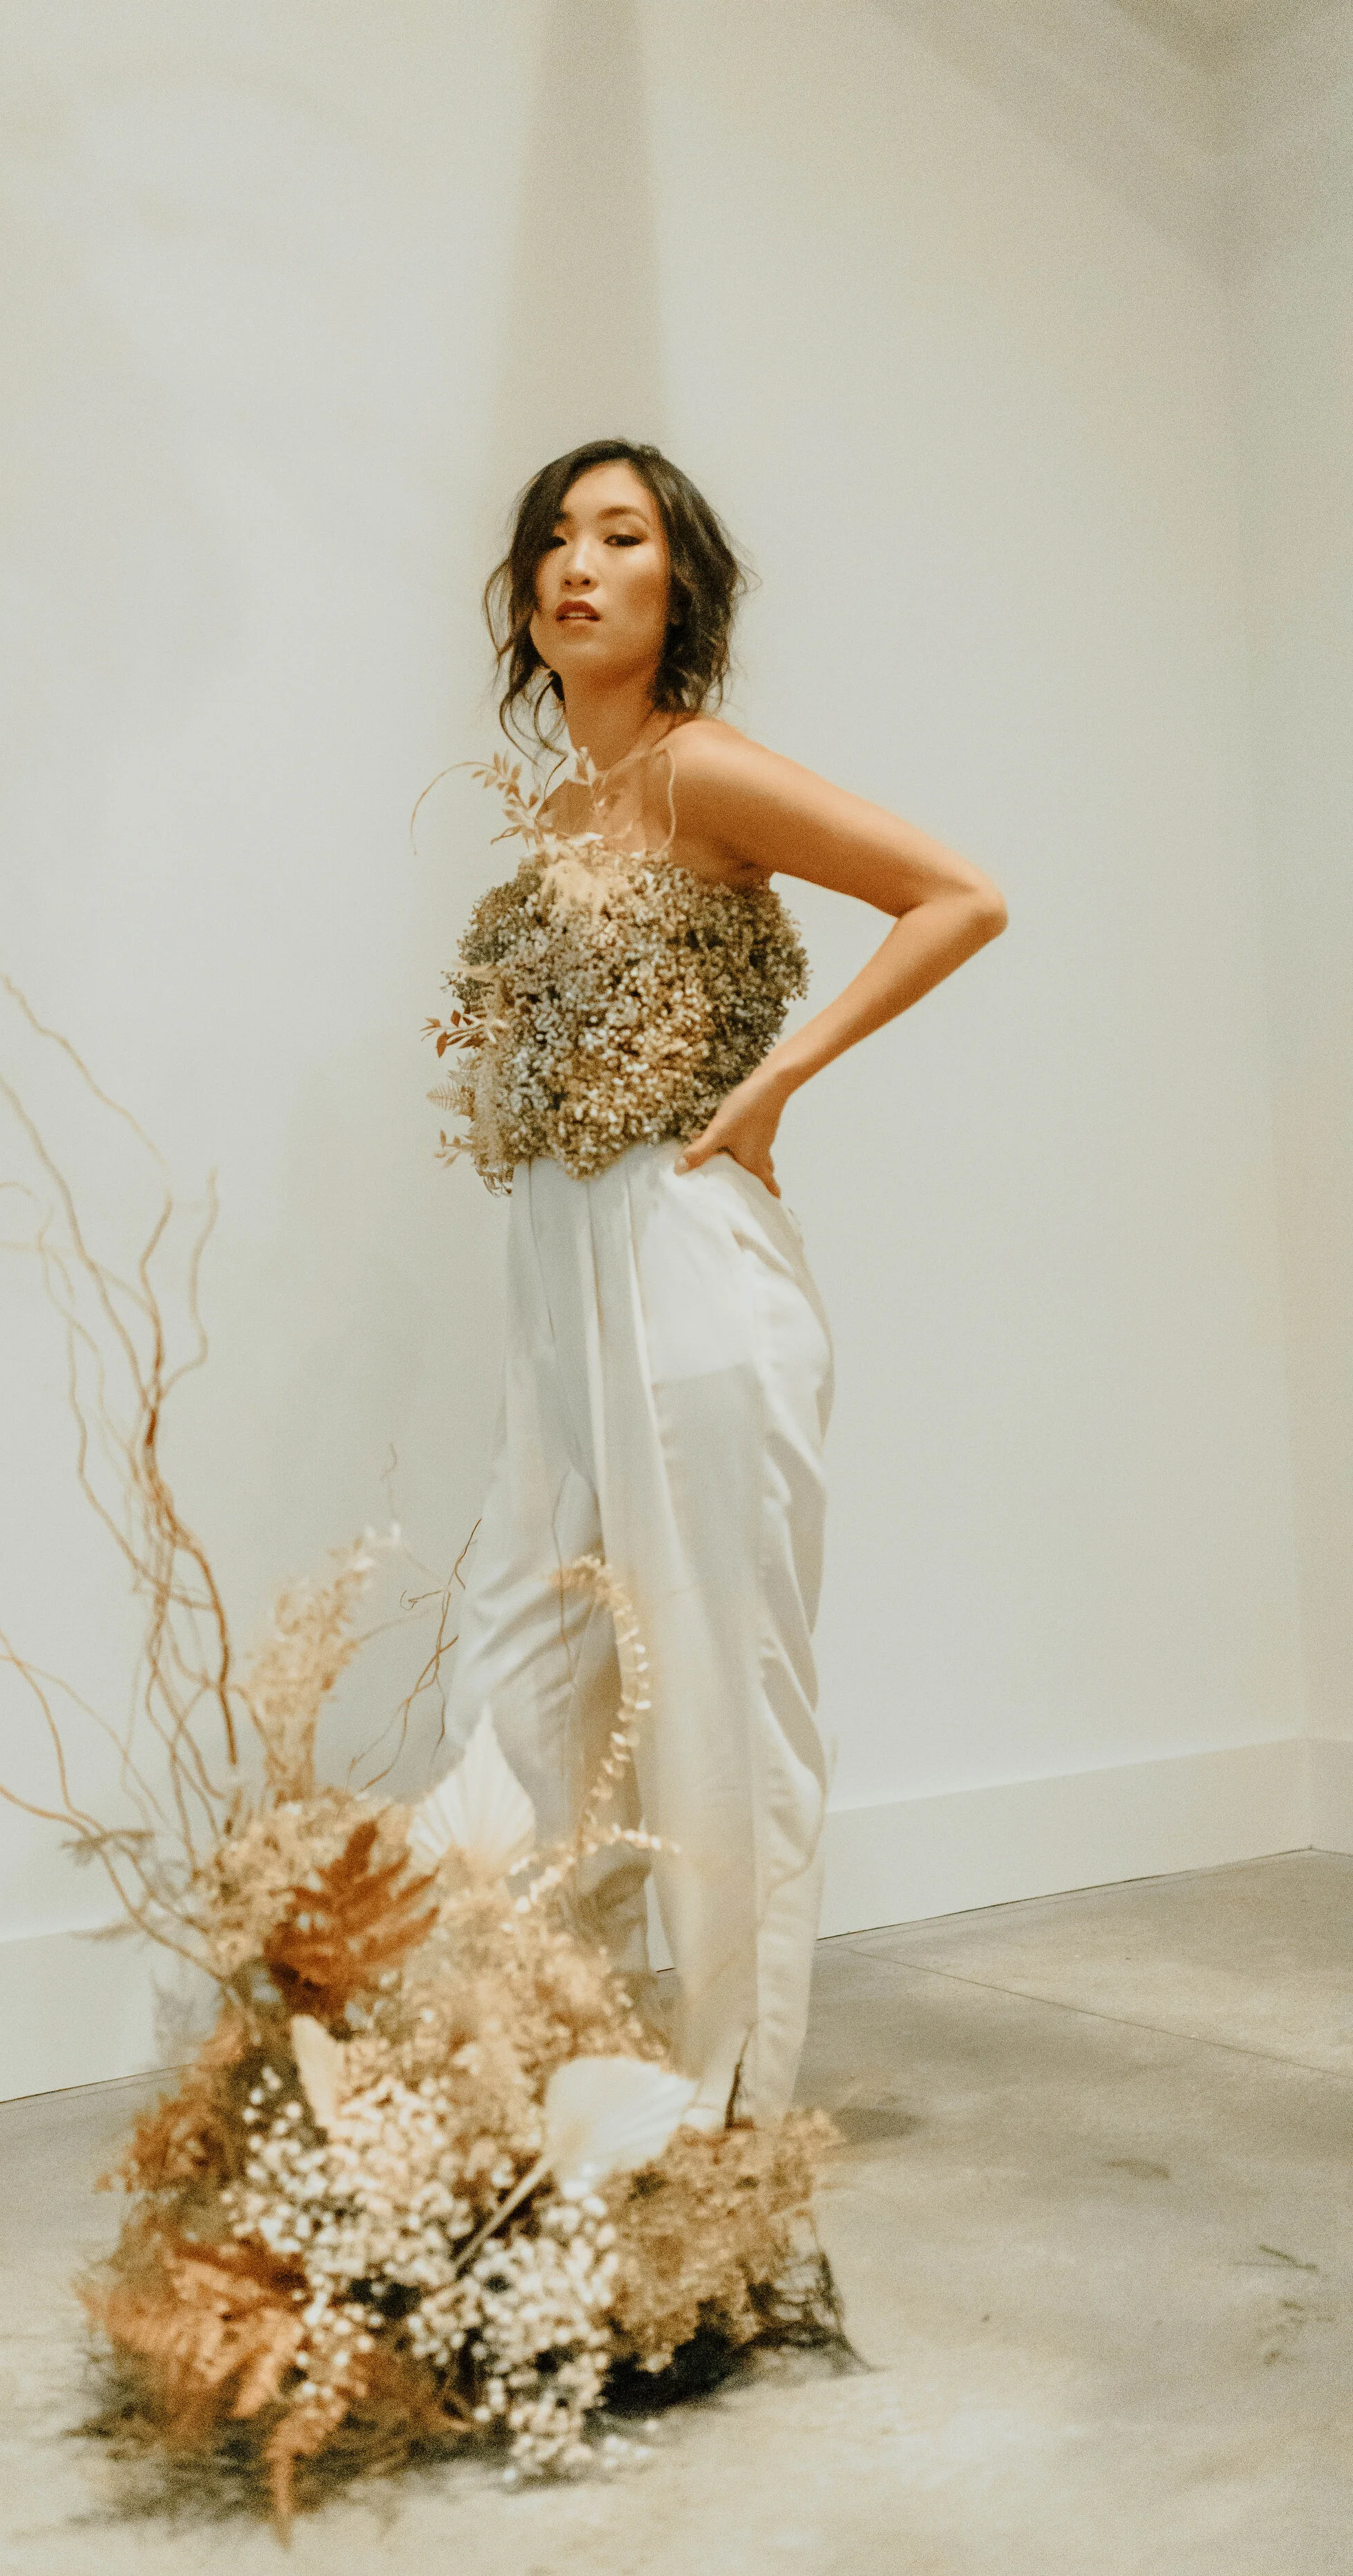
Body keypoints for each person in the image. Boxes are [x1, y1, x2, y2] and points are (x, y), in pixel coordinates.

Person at [436, 438, 1006, 2129]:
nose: (574, 563)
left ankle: (726, 2122)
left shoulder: (700, 772)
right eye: (550, 538)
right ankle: (548, 2066)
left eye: (618, 536)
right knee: (522, 1682)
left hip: (689, 1278)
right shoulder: (555, 812)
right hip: (555, 1285)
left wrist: (773, 1083)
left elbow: (953, 897)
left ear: (677, 581)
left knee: (716, 1698)